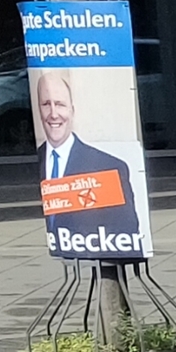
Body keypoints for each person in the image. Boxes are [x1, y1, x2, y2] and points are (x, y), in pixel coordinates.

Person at [35, 68, 142, 258]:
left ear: (72, 110)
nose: (53, 114)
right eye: (46, 104)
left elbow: (126, 234)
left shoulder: (108, 166)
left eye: (59, 104)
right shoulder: (37, 160)